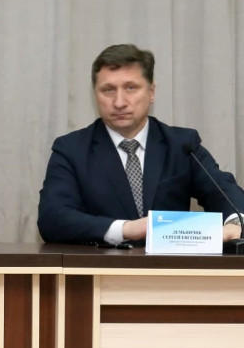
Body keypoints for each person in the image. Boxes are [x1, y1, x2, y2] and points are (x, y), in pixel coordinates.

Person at [38, 44, 244, 245]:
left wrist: (236, 223)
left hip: (172, 266)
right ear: (95, 95)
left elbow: (224, 192)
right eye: (108, 90)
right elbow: (52, 218)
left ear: (151, 92)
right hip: (101, 265)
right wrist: (126, 229)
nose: (119, 102)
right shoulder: (72, 149)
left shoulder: (181, 145)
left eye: (131, 88)